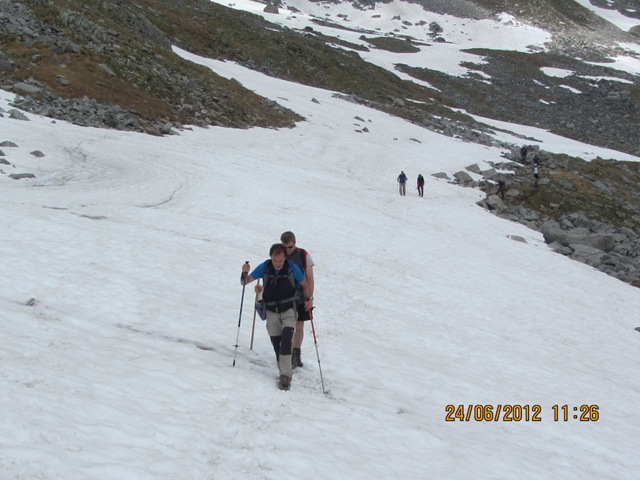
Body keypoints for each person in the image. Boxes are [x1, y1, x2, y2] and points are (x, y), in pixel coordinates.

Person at [241, 243, 313, 390]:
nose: (278, 264)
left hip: (289, 310)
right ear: (271, 257)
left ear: (285, 258)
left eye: (280, 260)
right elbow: (244, 282)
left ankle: (285, 376)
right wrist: (244, 272)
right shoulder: (265, 267)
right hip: (271, 311)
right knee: (277, 345)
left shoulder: (292, 268)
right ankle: (284, 369)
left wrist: (308, 299)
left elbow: (304, 284)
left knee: (286, 340)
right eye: (275, 260)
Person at [280, 231, 315, 369]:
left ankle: (296, 354)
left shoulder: (303, 255)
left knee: (299, 326)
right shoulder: (279, 254)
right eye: (285, 247)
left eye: (290, 247)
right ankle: (287, 353)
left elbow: (310, 278)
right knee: (287, 326)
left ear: (294, 243)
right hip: (285, 296)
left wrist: (309, 298)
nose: (288, 250)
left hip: (301, 296)